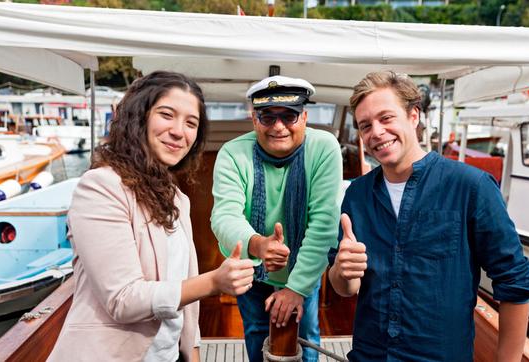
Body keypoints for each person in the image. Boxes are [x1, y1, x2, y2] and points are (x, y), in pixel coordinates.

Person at [328, 71, 529, 361]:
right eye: (366, 125)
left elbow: (515, 282)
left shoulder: (471, 187)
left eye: (386, 118)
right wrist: (342, 270)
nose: (376, 132)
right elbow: (344, 288)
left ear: (414, 116)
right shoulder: (357, 194)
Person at [48, 71, 256, 362]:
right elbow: (123, 299)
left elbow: (184, 300)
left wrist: (192, 354)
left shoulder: (176, 199)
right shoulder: (100, 187)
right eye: (166, 115)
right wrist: (213, 283)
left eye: (191, 123)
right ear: (138, 116)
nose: (179, 131)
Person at [210, 75, 342, 362]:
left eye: (289, 115)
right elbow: (224, 215)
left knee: (306, 340)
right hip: (251, 269)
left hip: (304, 267)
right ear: (253, 120)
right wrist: (258, 245)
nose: (278, 126)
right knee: (257, 335)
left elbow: (324, 224)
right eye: (267, 117)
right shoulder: (232, 153)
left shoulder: (325, 148)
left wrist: (295, 289)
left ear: (304, 117)